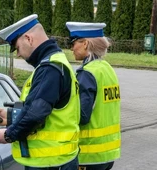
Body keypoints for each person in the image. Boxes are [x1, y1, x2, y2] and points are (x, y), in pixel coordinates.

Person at [0, 14, 80, 170]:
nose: (18, 54)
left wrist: (8, 134)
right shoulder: (54, 63)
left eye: (17, 47)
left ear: (28, 39)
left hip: (50, 162)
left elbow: (36, 113)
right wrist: (10, 116)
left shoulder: (49, 69)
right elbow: (46, 109)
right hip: (58, 160)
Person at [66, 22, 121, 170]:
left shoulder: (86, 73)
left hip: (89, 154)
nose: (71, 48)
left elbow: (82, 116)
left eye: (73, 43)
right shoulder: (107, 69)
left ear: (85, 44)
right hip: (108, 153)